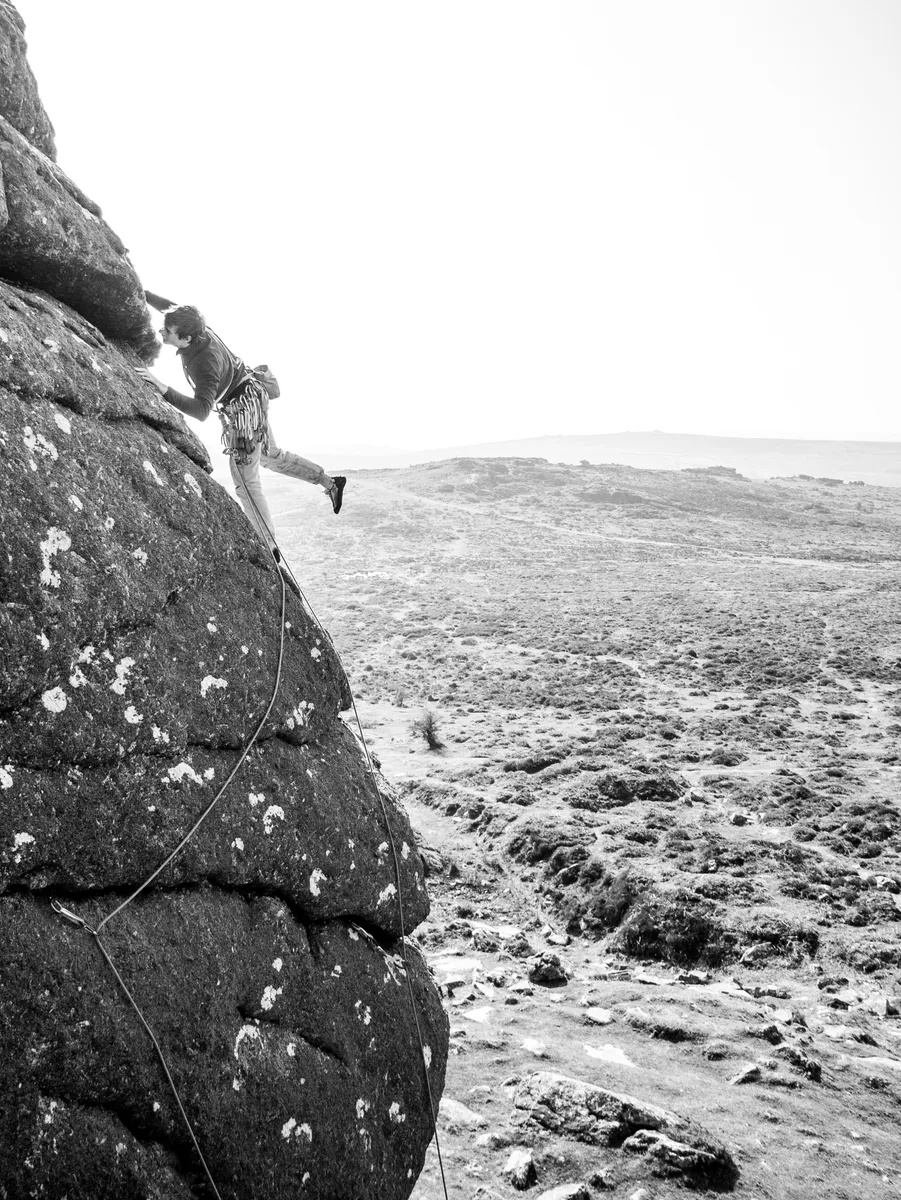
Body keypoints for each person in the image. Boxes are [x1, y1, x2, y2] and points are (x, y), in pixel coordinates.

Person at [135, 302, 345, 551]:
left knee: (245, 481)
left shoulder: (206, 363)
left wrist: (163, 388)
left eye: (167, 331)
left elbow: (201, 410)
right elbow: (170, 307)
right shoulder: (195, 324)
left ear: (186, 338)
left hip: (243, 411)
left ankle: (268, 546)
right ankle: (329, 482)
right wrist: (143, 294)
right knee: (270, 456)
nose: (161, 332)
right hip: (252, 397)